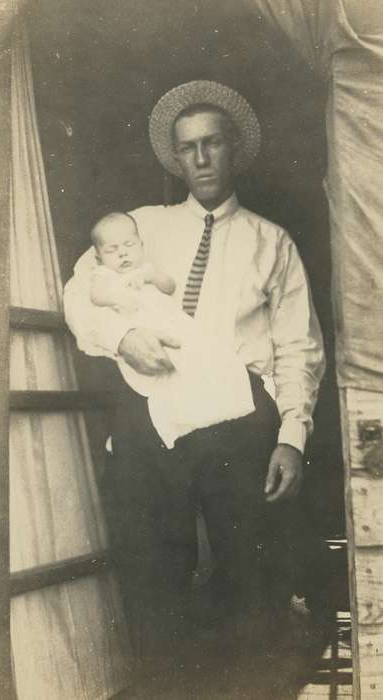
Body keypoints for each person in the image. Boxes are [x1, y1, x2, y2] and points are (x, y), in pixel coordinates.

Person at [64, 80, 325, 673]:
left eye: (213, 144)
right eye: (188, 148)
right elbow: (79, 293)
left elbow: (297, 346)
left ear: (234, 149)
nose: (201, 159)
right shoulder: (139, 227)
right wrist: (123, 338)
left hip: (237, 416)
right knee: (154, 574)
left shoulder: (271, 242)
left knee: (249, 580)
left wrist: (292, 436)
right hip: (151, 409)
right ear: (175, 158)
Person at [88, 210, 255, 448]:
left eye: (129, 245)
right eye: (111, 250)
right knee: (163, 378)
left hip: (172, 325)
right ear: (98, 257)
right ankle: (170, 419)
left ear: (141, 245)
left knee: (204, 359)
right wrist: (118, 295)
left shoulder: (145, 269)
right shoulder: (104, 275)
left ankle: (209, 406)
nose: (122, 253)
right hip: (142, 334)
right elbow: (96, 296)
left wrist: (150, 276)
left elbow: (169, 286)